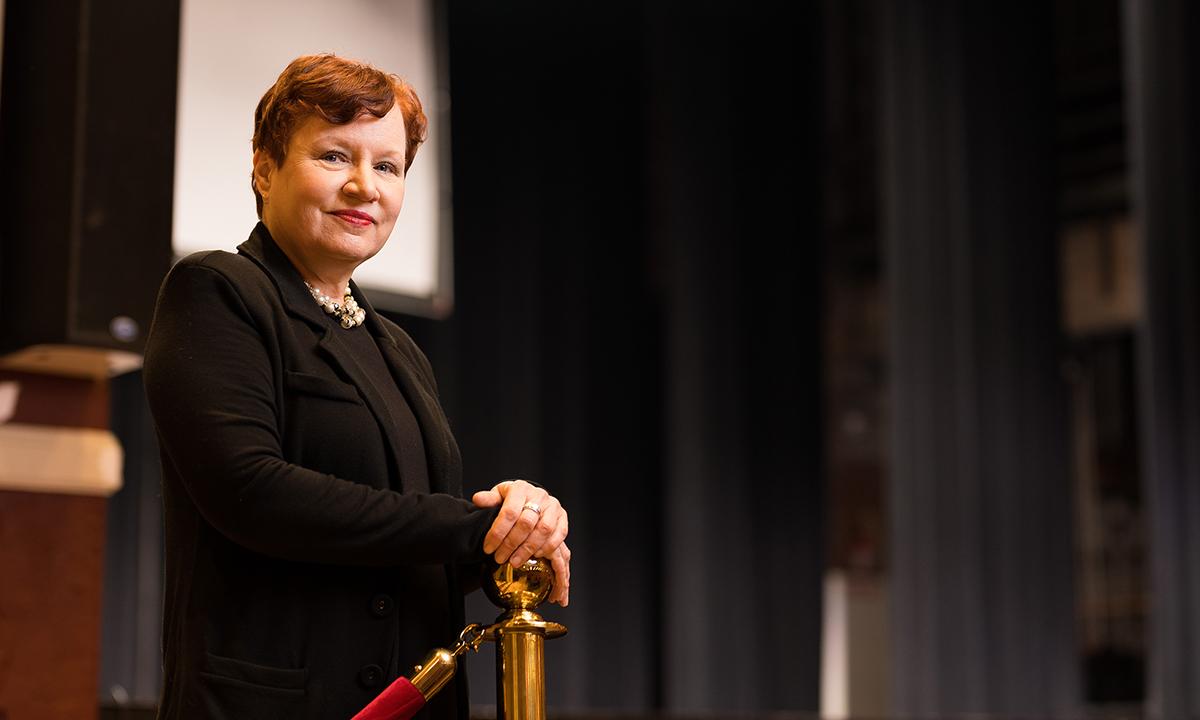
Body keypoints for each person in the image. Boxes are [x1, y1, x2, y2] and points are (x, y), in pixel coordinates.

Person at [143, 53, 570, 720]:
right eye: (336, 156)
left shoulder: (395, 347)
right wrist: (470, 527)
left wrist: (510, 539)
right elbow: (251, 492)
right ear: (264, 166)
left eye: (388, 166)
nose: (364, 186)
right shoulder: (219, 292)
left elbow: (412, 549)